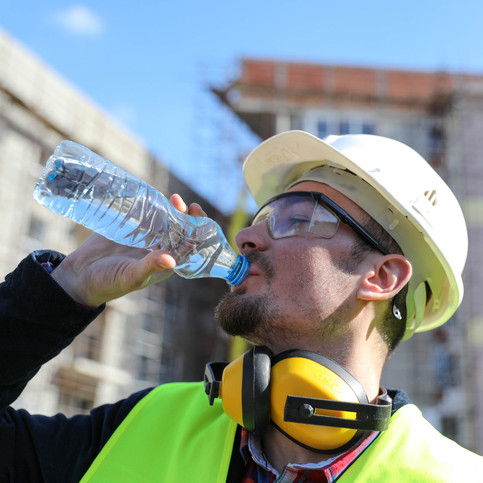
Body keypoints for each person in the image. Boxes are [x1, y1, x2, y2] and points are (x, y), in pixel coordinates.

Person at [1, 130, 482, 482]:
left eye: (295, 218)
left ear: (380, 277)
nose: (247, 236)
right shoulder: (147, 422)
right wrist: (61, 291)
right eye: (261, 217)